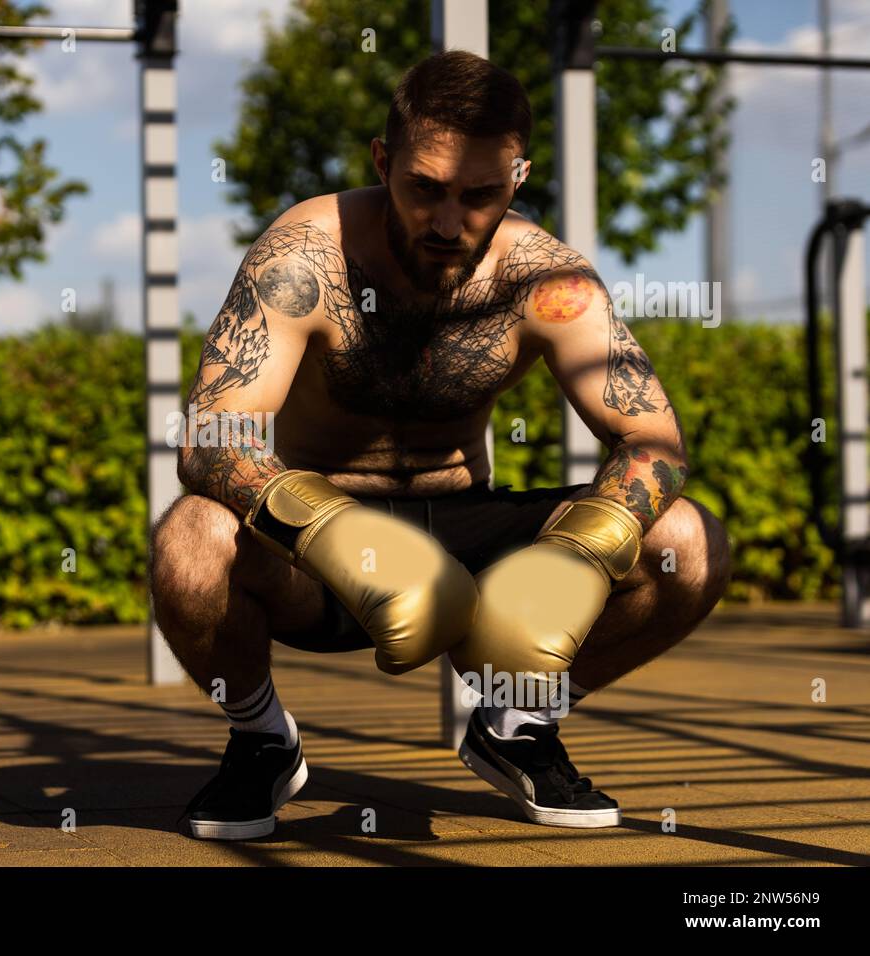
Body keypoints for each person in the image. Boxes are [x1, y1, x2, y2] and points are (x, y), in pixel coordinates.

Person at [150, 50, 730, 840]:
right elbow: (214, 431)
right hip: (314, 551)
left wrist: (585, 549)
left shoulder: (546, 279)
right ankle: (261, 740)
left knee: (687, 543)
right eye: (425, 188)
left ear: (517, 179)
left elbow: (653, 439)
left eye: (480, 195)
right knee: (189, 539)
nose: (450, 222)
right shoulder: (303, 257)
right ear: (384, 162)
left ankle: (518, 724)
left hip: (466, 532)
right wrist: (328, 523)